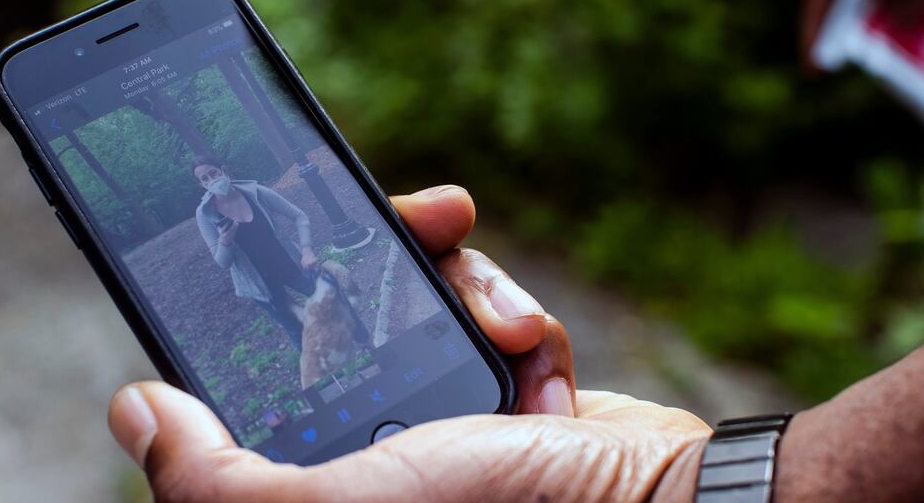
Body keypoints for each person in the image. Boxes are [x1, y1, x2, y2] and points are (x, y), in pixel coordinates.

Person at [111, 185, 924, 502]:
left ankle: (356, 351)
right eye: (210, 185)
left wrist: (664, 488)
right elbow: (227, 271)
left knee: (368, 307)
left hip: (302, 263)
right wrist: (669, 485)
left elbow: (289, 222)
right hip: (276, 293)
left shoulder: (256, 197)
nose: (218, 186)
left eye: (220, 177)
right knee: (312, 331)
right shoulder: (212, 220)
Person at [193, 155, 318, 350]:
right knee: (295, 330)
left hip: (289, 264)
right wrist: (225, 241)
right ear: (201, 185)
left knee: (330, 301)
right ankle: (322, 374)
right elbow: (222, 262)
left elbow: (299, 216)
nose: (212, 181)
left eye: (213, 173)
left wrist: (307, 250)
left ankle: (361, 344)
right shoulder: (205, 213)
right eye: (205, 179)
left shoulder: (255, 193)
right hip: (259, 283)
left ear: (224, 170)